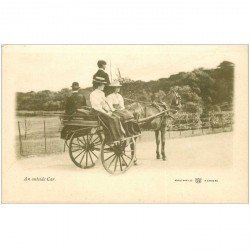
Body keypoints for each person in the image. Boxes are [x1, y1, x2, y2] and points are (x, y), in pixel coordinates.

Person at [90, 76, 125, 142]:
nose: (104, 86)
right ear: (99, 85)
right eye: (103, 84)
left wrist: (109, 110)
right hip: (96, 112)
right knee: (111, 119)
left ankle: (118, 136)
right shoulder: (93, 94)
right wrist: (106, 112)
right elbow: (97, 106)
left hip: (101, 111)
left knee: (116, 117)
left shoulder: (102, 93)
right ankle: (110, 139)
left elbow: (104, 104)